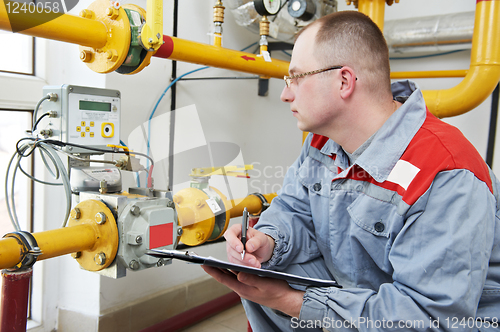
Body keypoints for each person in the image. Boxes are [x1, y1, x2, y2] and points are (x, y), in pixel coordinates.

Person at [202, 10, 500, 332]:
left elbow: (429, 320)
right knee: (264, 268)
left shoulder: (446, 174)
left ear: (343, 81)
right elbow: (294, 209)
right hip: (367, 293)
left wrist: (293, 302)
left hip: (452, 321)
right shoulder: (322, 142)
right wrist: (268, 240)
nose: (286, 94)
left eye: (296, 78)